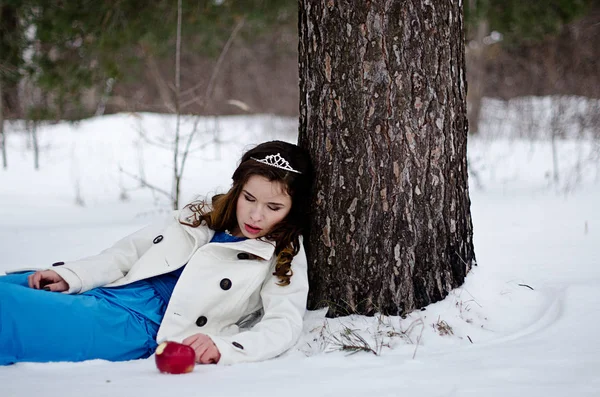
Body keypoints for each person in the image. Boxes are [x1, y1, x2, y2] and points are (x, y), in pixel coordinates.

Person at [0, 140, 314, 366]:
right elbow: (128, 253)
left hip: (140, 325)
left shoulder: (283, 255)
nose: (256, 216)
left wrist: (223, 347)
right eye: (249, 198)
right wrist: (72, 274)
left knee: (8, 309)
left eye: (273, 207)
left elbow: (282, 325)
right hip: (110, 289)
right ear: (236, 190)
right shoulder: (199, 215)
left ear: (291, 210)